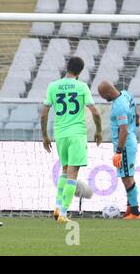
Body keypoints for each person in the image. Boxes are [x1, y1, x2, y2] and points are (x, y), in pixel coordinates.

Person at [41, 57, 102, 223]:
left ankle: (57, 206)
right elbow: (95, 112)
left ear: (66, 67)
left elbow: (44, 112)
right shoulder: (82, 87)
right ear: (80, 71)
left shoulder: (53, 86)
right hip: (76, 135)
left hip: (60, 134)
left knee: (64, 170)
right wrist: (98, 131)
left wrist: (45, 136)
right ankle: (63, 213)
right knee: (72, 174)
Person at [98, 81, 140, 220]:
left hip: (125, 145)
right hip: (129, 142)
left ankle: (135, 212)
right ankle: (130, 207)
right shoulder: (126, 95)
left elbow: (123, 130)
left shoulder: (119, 107)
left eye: (104, 96)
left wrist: (118, 151)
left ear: (109, 93)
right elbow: (135, 111)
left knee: (127, 178)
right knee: (126, 176)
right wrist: (136, 120)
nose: (104, 99)